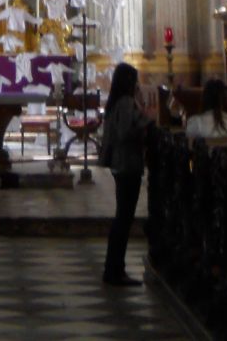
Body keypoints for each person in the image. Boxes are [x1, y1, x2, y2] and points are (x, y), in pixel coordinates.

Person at [98, 61, 150, 286]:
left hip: (122, 163)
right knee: (124, 218)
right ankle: (114, 270)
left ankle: (114, 267)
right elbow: (125, 131)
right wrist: (146, 120)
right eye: (135, 80)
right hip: (128, 163)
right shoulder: (127, 102)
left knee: (123, 217)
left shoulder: (116, 102)